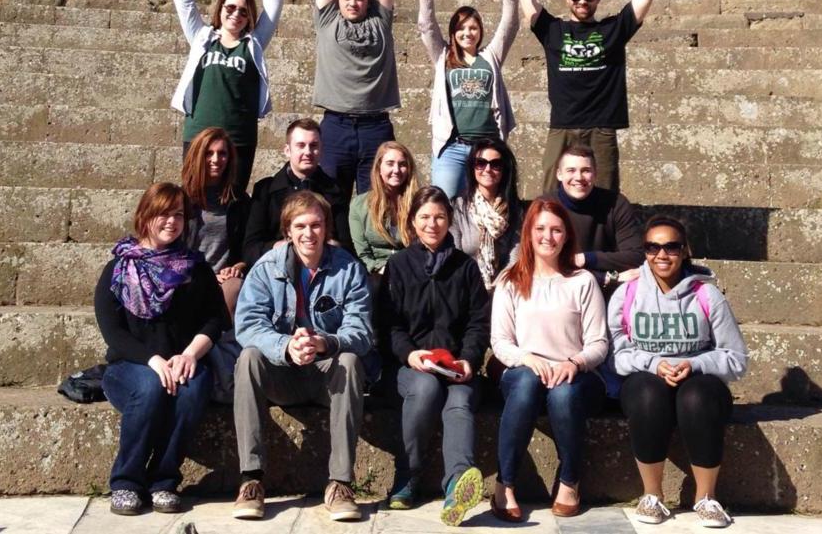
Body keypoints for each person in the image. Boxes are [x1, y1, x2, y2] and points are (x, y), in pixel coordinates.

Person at [232, 191, 372, 522]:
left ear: (326, 229)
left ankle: (340, 483)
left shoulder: (348, 269)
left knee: (351, 362)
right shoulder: (265, 269)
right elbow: (248, 326)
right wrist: (285, 346)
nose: (309, 233)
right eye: (300, 226)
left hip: (325, 376)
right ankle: (251, 479)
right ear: (288, 231)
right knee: (249, 358)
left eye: (316, 225)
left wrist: (323, 342)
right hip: (281, 374)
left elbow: (362, 331)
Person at [94, 182, 229, 516]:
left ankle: (164, 480)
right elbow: (113, 332)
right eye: (163, 214)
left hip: (184, 362)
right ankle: (127, 480)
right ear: (146, 216)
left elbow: (215, 319)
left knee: (195, 388)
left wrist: (190, 355)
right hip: (130, 367)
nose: (172, 221)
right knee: (151, 387)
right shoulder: (119, 268)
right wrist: (154, 361)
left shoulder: (195, 268)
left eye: (179, 215)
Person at [608, 216, 748, 528]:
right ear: (644, 251)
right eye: (652, 247)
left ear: (684, 250)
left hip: (699, 383)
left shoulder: (707, 295)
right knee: (648, 393)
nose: (661, 254)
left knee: (695, 397)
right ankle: (652, 495)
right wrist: (653, 363)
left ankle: (706, 497)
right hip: (646, 380)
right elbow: (615, 353)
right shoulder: (627, 294)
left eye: (671, 246)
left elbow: (736, 358)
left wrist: (694, 364)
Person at [490, 198, 608, 522]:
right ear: (528, 233)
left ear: (567, 236)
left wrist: (574, 362)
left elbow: (599, 342)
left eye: (556, 230)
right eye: (540, 228)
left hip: (576, 375)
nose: (548, 236)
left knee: (564, 392)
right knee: (526, 383)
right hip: (524, 371)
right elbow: (500, 342)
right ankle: (505, 484)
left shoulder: (582, 281)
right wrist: (527, 358)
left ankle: (570, 480)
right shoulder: (510, 281)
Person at [377, 186, 490, 525]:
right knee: (425, 388)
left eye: (440, 216)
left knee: (459, 401)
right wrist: (410, 355)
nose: (432, 224)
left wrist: (469, 357)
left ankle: (457, 485)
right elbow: (388, 325)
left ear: (450, 221)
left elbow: (477, 322)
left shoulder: (466, 269)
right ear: (412, 222)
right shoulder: (397, 266)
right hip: (407, 368)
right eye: (424, 217)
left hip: (455, 367)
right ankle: (407, 476)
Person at [517, 0, 657, 194]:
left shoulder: (613, 29)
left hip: (601, 127)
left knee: (605, 199)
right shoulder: (552, 29)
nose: (582, 1)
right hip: (563, 125)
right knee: (550, 197)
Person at [172, 0, 283, 193]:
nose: (236, 14)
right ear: (220, 9)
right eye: (230, 7)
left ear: (250, 17)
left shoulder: (254, 43)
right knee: (193, 196)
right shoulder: (201, 37)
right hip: (199, 133)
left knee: (232, 202)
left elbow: (274, 0)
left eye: (243, 11)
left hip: (239, 136)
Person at [313, 0, 400, 201]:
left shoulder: (381, 20)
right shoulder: (327, 19)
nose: (353, 3)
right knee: (331, 204)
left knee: (376, 205)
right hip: (335, 125)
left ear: (368, 1)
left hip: (376, 125)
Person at [419, 0, 519, 199]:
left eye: (473, 28)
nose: (467, 33)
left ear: (480, 31)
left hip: (487, 149)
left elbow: (509, 23)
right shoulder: (443, 56)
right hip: (452, 146)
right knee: (444, 204)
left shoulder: (491, 56)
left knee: (487, 208)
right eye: (461, 28)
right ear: (453, 33)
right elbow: (426, 25)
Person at [242, 118, 352, 263]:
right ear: (287, 150)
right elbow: (250, 249)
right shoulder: (265, 191)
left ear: (321, 149)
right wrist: (282, 247)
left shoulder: (335, 191)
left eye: (313, 145)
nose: (308, 152)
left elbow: (346, 247)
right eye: (301, 145)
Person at [545, 144, 644, 286]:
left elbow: (636, 256)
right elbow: (545, 262)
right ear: (559, 174)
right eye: (571, 170)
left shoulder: (616, 203)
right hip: (558, 286)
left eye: (586, 171)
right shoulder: (545, 206)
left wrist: (586, 258)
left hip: (609, 291)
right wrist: (606, 277)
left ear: (595, 174)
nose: (578, 177)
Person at [181, 127, 250, 317]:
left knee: (235, 287)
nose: (215, 160)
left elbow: (248, 247)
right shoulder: (181, 199)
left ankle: (214, 342)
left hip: (225, 278)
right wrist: (204, 275)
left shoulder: (239, 201)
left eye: (222, 154)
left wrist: (237, 268)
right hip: (188, 275)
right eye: (208, 153)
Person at [449, 140, 523, 289]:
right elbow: (455, 254)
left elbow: (515, 257)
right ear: (472, 167)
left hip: (504, 287)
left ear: (504, 170)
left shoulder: (516, 210)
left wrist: (496, 287)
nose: (488, 169)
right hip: (465, 285)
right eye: (481, 163)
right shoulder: (457, 208)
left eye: (496, 164)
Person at [349, 141, 418, 275]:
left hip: (412, 271)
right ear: (379, 168)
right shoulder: (359, 205)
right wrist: (381, 269)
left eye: (402, 164)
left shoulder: (418, 202)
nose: (396, 170)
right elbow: (362, 254)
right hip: (377, 274)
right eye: (390, 163)